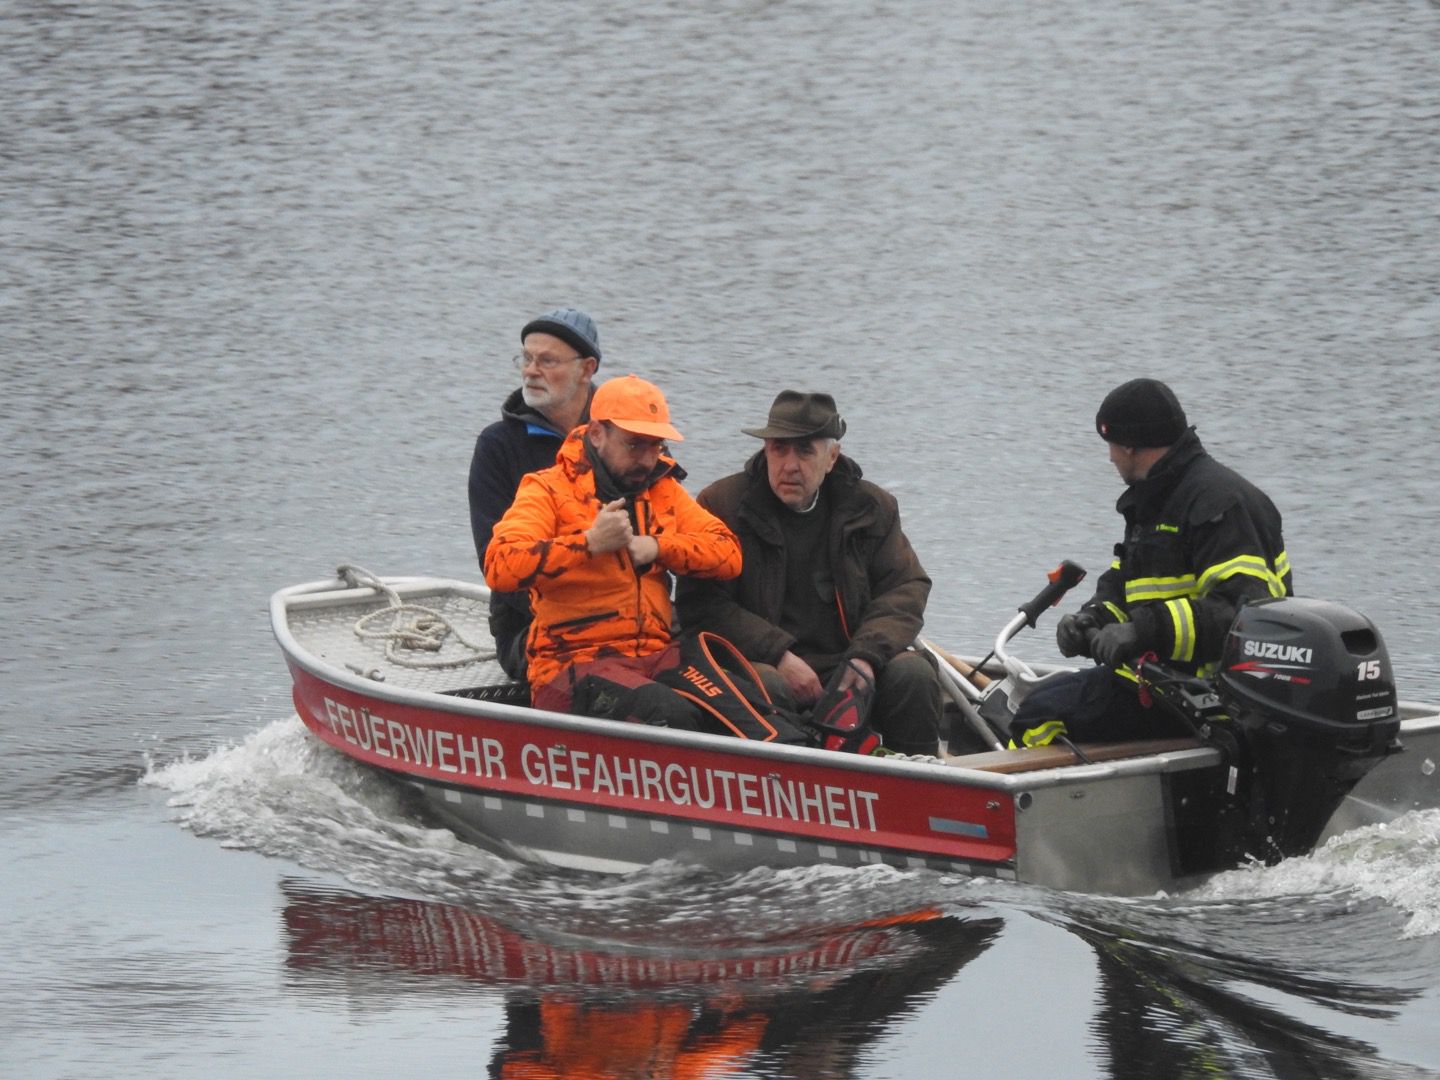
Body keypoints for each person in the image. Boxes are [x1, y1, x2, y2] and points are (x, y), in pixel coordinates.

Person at [1011, 378, 1293, 748]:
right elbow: (1128, 585)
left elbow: (1242, 615)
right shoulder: (1159, 497)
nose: (1110, 458)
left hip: (1212, 699)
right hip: (1164, 682)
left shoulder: (1219, 504)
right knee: (1046, 698)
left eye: (1111, 445)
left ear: (1130, 445)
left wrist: (1141, 631)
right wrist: (1092, 619)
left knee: (1038, 715)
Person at [675, 390, 944, 756]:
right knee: (767, 685)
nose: (790, 465)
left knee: (913, 674)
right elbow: (702, 605)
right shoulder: (720, 504)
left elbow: (906, 587)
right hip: (760, 661)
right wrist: (779, 654)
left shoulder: (872, 507)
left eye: (805, 451)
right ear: (765, 450)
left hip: (848, 660)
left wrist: (866, 656)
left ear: (832, 457)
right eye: (779, 449)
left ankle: (919, 776)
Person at [484, 374, 742, 726]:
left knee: (755, 709)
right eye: (634, 444)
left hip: (656, 657)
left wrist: (658, 547)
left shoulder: (662, 490)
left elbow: (728, 553)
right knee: (669, 713)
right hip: (572, 666)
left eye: (655, 445)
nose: (647, 459)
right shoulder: (547, 489)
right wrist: (588, 544)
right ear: (596, 434)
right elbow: (499, 565)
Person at [468, 307, 601, 681]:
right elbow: (494, 562)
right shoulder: (497, 445)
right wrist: (580, 616)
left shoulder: (628, 437)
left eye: (547, 361)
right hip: (530, 627)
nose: (530, 371)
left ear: (587, 369)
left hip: (628, 616)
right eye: (526, 359)